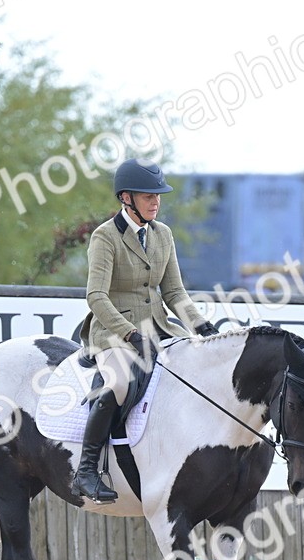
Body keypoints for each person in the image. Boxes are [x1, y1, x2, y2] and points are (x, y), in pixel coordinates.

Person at [72, 158, 219, 503]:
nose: (155, 202)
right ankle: (87, 470)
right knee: (120, 382)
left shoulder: (163, 235)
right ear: (126, 198)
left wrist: (200, 325)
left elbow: (174, 292)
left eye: (158, 196)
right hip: (113, 332)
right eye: (147, 196)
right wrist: (128, 334)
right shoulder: (105, 237)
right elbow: (96, 296)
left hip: (160, 327)